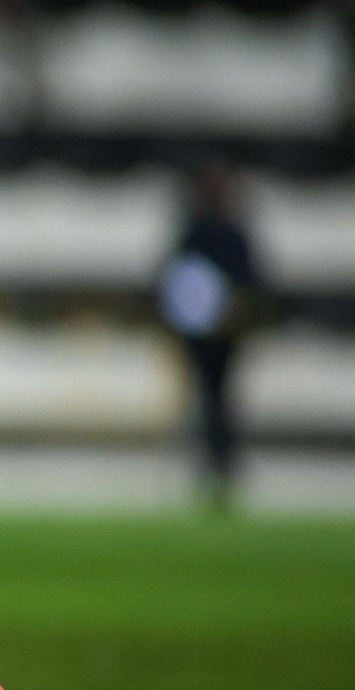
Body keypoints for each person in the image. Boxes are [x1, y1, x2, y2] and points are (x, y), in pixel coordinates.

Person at [157, 159, 268, 513]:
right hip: (202, 333)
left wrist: (234, 313)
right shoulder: (198, 233)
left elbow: (249, 282)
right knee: (210, 397)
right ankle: (213, 463)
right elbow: (179, 280)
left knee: (220, 397)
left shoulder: (229, 235)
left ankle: (222, 463)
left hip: (226, 332)